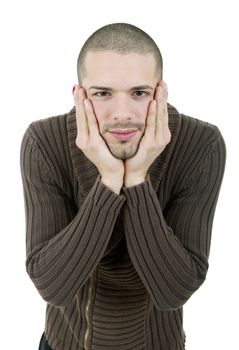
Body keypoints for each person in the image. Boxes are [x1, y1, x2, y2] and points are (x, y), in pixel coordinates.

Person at [20, 23, 226, 350]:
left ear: (159, 92)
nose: (122, 114)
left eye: (139, 93)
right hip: (64, 344)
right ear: (80, 96)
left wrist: (138, 179)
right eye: (103, 93)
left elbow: (174, 291)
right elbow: (52, 286)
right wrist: (108, 181)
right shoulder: (45, 141)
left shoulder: (200, 144)